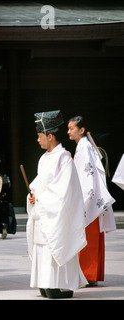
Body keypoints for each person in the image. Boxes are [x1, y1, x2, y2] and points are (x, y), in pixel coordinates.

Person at [27, 110, 88, 298]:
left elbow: (64, 189)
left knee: (55, 247)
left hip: (55, 213)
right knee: (43, 248)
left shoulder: (64, 157)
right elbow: (39, 183)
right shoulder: (44, 158)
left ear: (50, 136)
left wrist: (42, 199)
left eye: (39, 136)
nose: (38, 140)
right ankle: (46, 283)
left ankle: (59, 285)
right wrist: (33, 194)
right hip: (43, 211)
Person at [67, 116, 116, 286]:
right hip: (88, 198)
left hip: (88, 199)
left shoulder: (85, 147)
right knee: (88, 239)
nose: (69, 131)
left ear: (82, 130)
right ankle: (89, 274)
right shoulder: (83, 146)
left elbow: (88, 177)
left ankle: (88, 274)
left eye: (72, 128)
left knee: (88, 239)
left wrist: (83, 199)